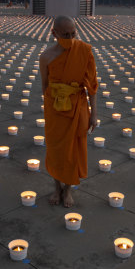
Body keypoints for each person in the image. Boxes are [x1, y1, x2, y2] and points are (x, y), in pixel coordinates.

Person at [39, 16, 98, 207]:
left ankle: (68, 190)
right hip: (55, 108)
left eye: (73, 33)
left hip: (77, 107)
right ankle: (57, 188)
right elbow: (45, 86)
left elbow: (92, 87)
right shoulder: (46, 56)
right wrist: (50, 108)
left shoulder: (84, 51)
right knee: (56, 150)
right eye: (65, 34)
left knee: (73, 150)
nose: (70, 37)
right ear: (54, 33)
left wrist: (93, 113)